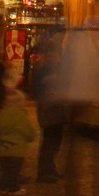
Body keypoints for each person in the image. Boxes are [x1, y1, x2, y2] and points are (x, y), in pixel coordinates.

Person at [31, 27, 67, 182]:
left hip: (56, 110)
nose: (55, 57)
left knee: (54, 141)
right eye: (53, 55)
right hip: (49, 110)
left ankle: (49, 169)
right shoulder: (43, 70)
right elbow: (37, 90)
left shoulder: (56, 69)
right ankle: (44, 172)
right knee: (49, 142)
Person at [0, 86, 37, 195]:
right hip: (17, 149)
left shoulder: (1, 114)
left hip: (2, 148)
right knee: (14, 171)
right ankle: (13, 188)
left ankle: (3, 187)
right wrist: (32, 137)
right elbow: (28, 131)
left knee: (5, 170)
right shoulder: (21, 116)